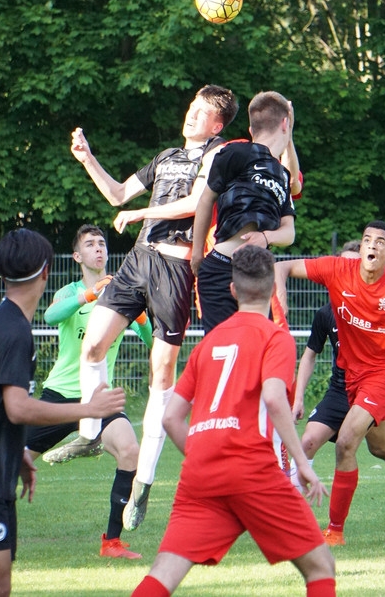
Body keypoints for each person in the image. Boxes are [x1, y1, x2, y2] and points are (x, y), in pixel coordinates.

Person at [0, 225, 152, 560]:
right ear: (77, 256)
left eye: (102, 244)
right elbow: (51, 315)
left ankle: (111, 542)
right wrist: (90, 295)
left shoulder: (123, 294)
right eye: (89, 244)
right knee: (2, 469)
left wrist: (140, 318)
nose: (98, 249)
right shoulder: (70, 292)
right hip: (59, 395)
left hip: (99, 397)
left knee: (130, 451)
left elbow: (152, 341)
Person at [69, 84, 238, 531]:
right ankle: (89, 434)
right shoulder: (165, 156)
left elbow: (195, 203)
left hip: (177, 269)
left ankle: (143, 484)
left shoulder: (217, 156)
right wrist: (87, 158)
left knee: (160, 376)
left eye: (202, 112)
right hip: (138, 261)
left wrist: (145, 215)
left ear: (217, 125)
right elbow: (118, 195)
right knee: (92, 347)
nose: (191, 115)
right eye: (191, 108)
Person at [132, 247, 336, 597]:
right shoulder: (276, 337)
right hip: (251, 468)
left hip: (200, 473)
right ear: (273, 289)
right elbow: (273, 397)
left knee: (164, 573)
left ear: (232, 290)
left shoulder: (208, 342)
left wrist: (200, 454)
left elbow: (170, 417)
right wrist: (302, 463)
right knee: (321, 567)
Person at [274, 221, 385, 546]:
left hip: (384, 375)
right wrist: (279, 311)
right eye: (368, 239)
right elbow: (281, 266)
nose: (372, 245)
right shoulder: (338, 270)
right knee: (383, 447)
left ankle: (335, 531)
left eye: (380, 241)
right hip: (351, 379)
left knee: (345, 443)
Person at [190, 90, 297, 332]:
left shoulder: (283, 174)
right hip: (220, 268)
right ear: (285, 123)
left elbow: (289, 233)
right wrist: (197, 253)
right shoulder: (236, 152)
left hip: (255, 275)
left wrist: (266, 237)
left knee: (257, 350)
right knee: (220, 351)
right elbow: (205, 201)